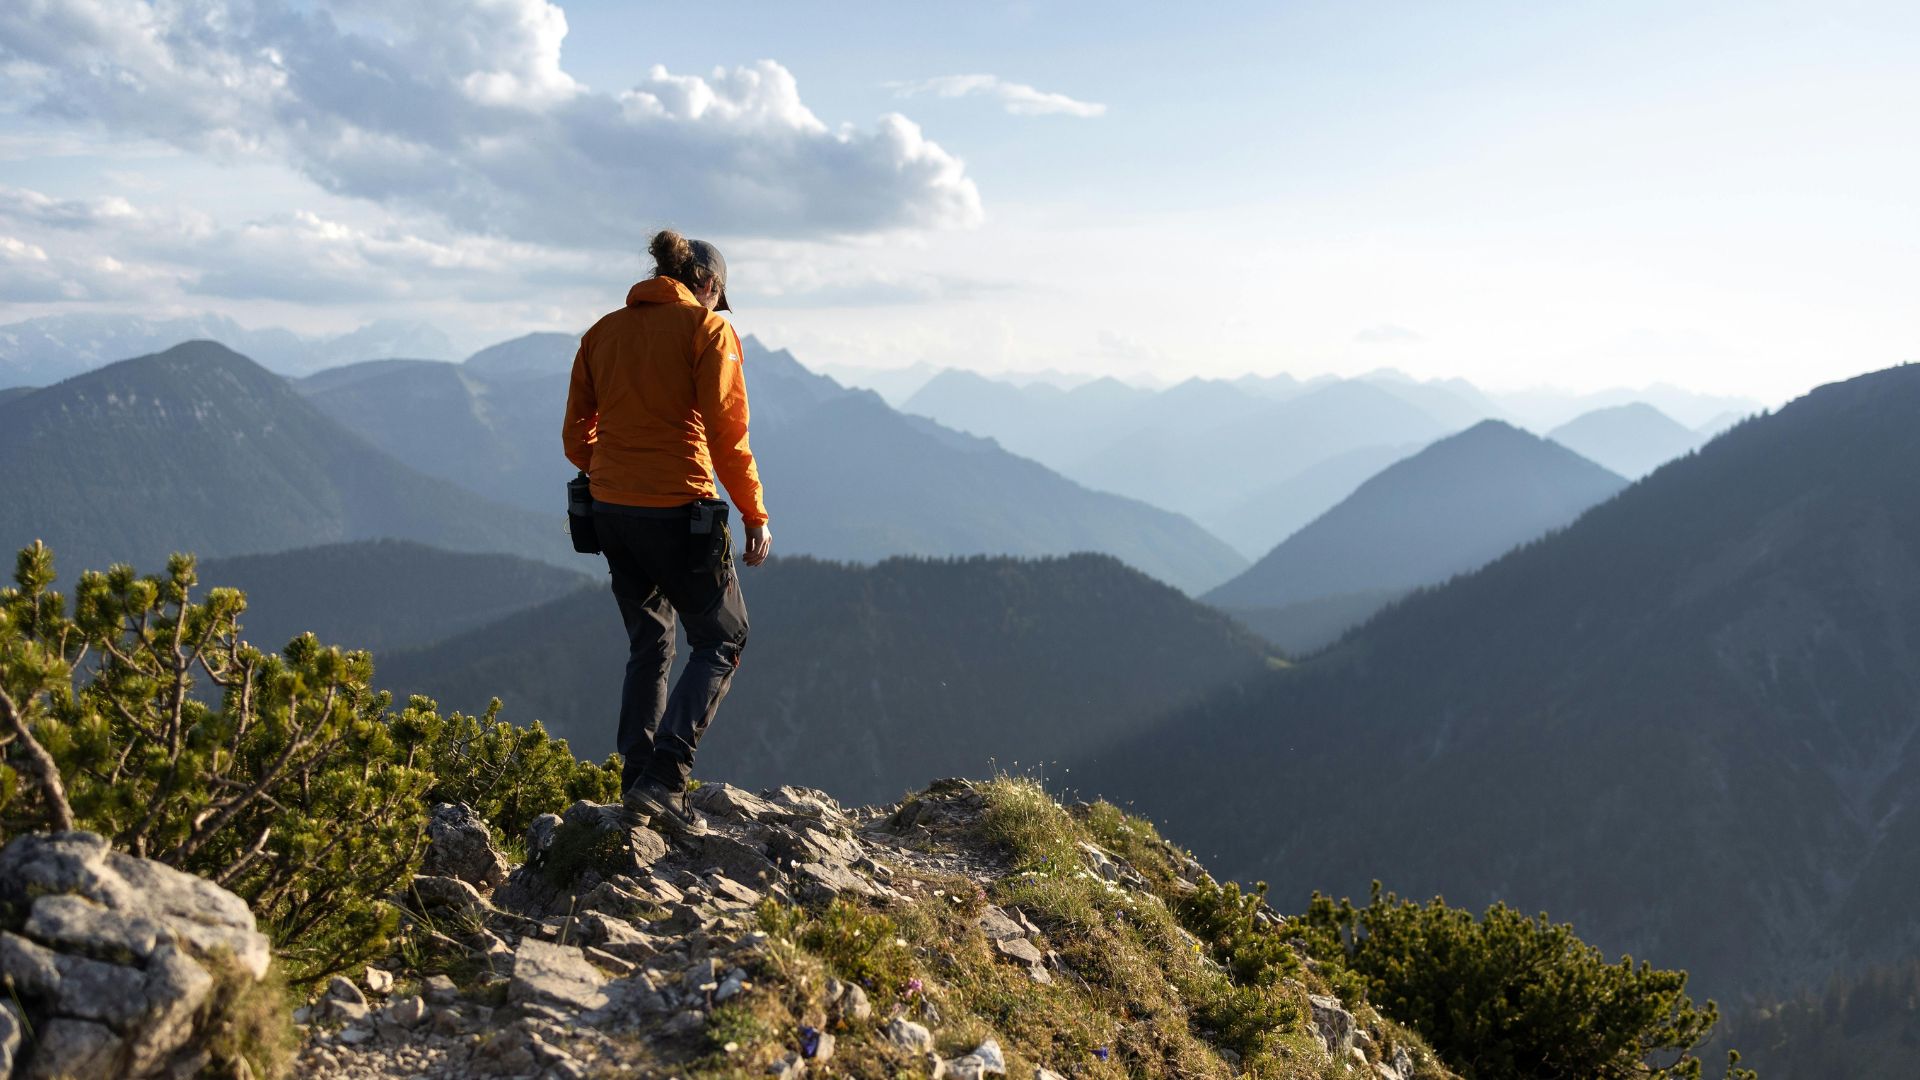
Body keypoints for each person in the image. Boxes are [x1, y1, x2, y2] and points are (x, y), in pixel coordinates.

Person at [562, 229, 771, 836]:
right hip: (680, 510)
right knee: (724, 638)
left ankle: (635, 782)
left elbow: (578, 439)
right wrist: (754, 515)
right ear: (707, 286)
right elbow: (728, 438)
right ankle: (665, 776)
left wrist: (619, 468)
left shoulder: (602, 333)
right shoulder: (709, 332)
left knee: (649, 642)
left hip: (610, 513)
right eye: (717, 295)